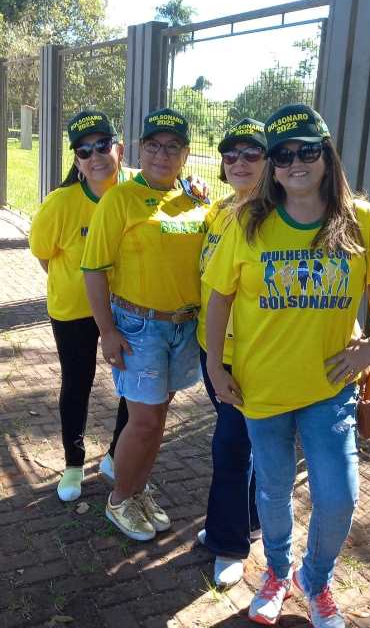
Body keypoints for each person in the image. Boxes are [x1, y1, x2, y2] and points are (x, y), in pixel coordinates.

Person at [203, 103, 370, 627]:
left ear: (326, 155)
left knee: (339, 495)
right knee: (274, 490)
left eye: (307, 150)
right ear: (273, 166)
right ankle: (277, 573)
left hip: (329, 390)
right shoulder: (249, 223)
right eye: (283, 154)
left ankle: (315, 579)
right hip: (261, 388)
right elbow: (218, 297)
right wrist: (215, 365)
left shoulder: (358, 221)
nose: (295, 162)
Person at [81, 107, 212, 541]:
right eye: (153, 145)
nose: (162, 153)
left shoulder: (193, 197)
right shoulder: (120, 199)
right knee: (143, 421)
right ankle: (120, 499)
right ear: (140, 149)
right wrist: (107, 332)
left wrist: (201, 196)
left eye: (172, 146)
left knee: (158, 418)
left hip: (183, 327)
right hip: (139, 327)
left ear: (186, 154)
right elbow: (94, 269)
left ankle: (136, 488)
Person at [30, 110, 135, 502]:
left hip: (125, 309)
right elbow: (44, 254)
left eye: (102, 145)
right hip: (72, 311)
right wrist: (72, 284)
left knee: (132, 384)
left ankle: (114, 456)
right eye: (84, 149)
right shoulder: (60, 203)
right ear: (76, 160)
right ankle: (73, 464)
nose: (95, 156)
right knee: (77, 382)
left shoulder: (134, 193)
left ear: (118, 149)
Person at [197, 119, 266, 587]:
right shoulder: (219, 210)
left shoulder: (277, 217)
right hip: (213, 347)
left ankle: (228, 542)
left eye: (251, 154)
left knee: (231, 446)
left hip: (253, 354)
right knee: (245, 441)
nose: (239, 162)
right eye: (230, 155)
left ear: (271, 160)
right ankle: (251, 522)